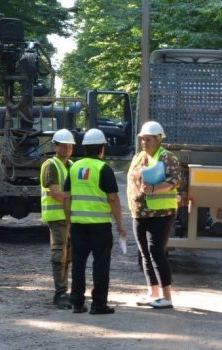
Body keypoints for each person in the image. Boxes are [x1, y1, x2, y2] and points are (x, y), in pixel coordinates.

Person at [63, 128, 127, 315]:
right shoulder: (103, 169)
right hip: (99, 226)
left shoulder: (73, 168)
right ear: (102, 148)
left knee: (78, 264)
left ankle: (77, 303)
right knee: (100, 265)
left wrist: (68, 222)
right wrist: (120, 224)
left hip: (78, 225)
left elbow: (66, 197)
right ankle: (98, 304)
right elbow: (113, 198)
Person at [127, 121, 182, 309]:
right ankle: (153, 293)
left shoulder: (167, 158)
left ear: (159, 139)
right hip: (140, 212)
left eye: (148, 139)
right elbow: (132, 178)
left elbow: (174, 181)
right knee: (144, 253)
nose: (144, 142)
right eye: (142, 139)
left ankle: (167, 297)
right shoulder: (138, 157)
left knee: (156, 252)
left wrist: (153, 188)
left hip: (161, 213)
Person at [40, 129, 76, 309]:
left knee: (68, 256)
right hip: (56, 216)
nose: (68, 148)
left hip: (69, 217)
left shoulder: (70, 165)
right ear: (56, 146)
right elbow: (55, 193)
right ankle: (60, 293)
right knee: (59, 255)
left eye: (70, 145)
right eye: (64, 145)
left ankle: (64, 291)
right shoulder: (51, 165)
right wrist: (74, 197)